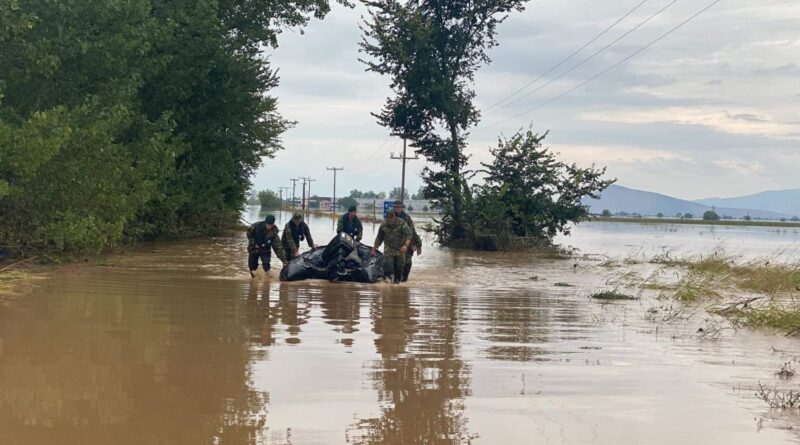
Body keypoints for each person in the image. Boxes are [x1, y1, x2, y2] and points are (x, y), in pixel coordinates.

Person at [371, 209, 412, 284]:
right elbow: (379, 238)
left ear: (394, 217)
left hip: (400, 249)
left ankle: (397, 283)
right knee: (388, 267)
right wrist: (374, 249)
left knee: (400, 268)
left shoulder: (401, 223)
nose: (390, 221)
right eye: (388, 219)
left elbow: (409, 235)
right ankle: (389, 285)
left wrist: (406, 245)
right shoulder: (384, 224)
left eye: (391, 218)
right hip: (388, 249)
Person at [392, 200, 422, 282]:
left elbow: (412, 231)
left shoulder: (407, 218)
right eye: (396, 207)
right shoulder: (390, 217)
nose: (397, 209)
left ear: (402, 208)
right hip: (394, 245)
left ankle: (404, 279)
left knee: (407, 262)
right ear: (394, 208)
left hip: (406, 244)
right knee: (395, 264)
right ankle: (396, 280)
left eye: (399, 207)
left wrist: (417, 244)